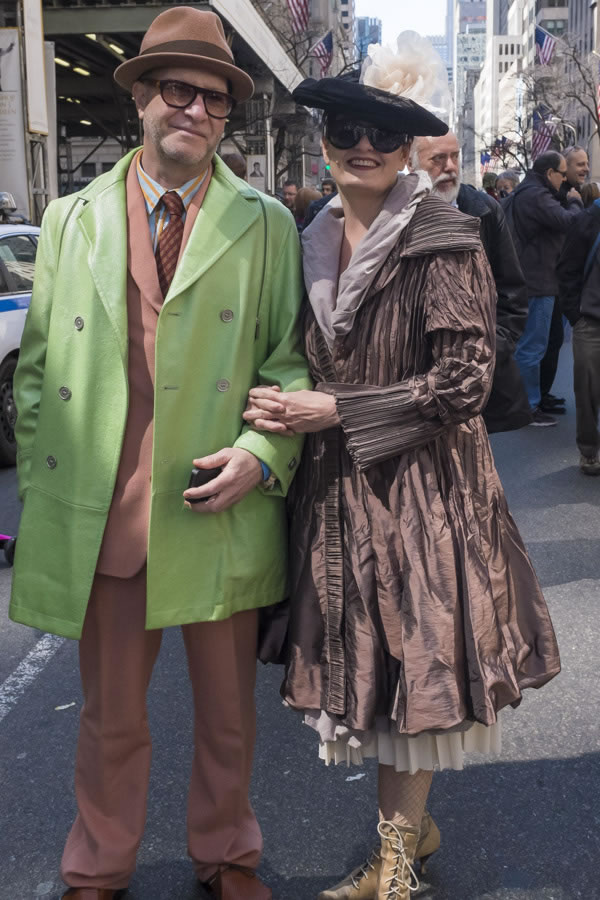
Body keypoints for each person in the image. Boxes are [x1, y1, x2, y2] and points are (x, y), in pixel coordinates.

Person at [10, 8, 310, 900]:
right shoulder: (70, 220)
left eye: (213, 99)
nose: (195, 109)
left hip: (216, 502)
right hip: (104, 510)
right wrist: (46, 485)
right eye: (177, 89)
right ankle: (98, 865)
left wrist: (262, 457)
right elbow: (36, 374)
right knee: (109, 718)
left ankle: (227, 855)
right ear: (140, 97)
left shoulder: (266, 226)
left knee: (227, 718)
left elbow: (286, 360)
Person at [244, 60, 560, 900]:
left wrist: (335, 411)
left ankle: (395, 865)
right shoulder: (309, 236)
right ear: (323, 141)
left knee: (417, 683)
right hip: (340, 495)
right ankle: (410, 834)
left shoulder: (442, 234)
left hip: (425, 496)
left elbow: (465, 380)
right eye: (346, 129)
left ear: (409, 147)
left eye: (385, 133)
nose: (364, 146)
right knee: (374, 684)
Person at [410, 131, 531, 433]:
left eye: (454, 157)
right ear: (410, 163)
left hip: (478, 381)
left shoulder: (483, 210)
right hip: (414, 388)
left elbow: (512, 292)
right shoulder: (395, 215)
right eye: (438, 159)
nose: (450, 167)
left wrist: (491, 352)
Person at [502, 150, 583, 425]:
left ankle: (538, 397)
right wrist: (574, 203)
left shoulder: (532, 192)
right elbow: (568, 221)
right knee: (532, 347)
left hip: (541, 280)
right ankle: (528, 407)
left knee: (544, 344)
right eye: (562, 173)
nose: (564, 179)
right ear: (550, 173)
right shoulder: (536, 195)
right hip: (538, 282)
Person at [540, 147, 592, 417]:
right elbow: (570, 227)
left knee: (552, 342)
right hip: (553, 283)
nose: (584, 168)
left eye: (586, 163)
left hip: (563, 286)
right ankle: (536, 399)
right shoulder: (560, 197)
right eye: (578, 165)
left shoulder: (571, 195)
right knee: (545, 343)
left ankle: (542, 395)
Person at [557, 192, 600, 474]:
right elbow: (567, 269)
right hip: (592, 321)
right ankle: (589, 452)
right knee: (587, 391)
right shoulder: (589, 219)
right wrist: (576, 315)